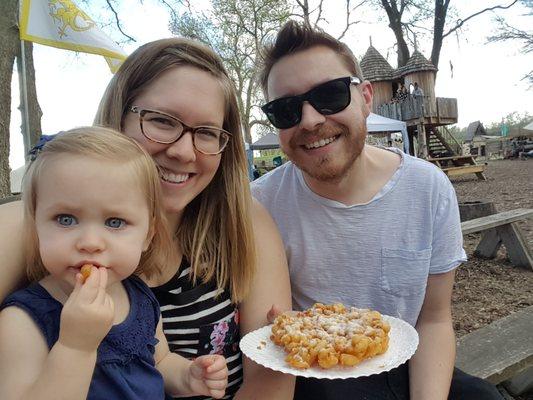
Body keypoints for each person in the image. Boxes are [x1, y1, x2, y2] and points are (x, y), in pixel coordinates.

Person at [0, 38, 294, 400]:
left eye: (205, 132)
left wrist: (188, 376)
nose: (184, 152)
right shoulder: (29, 228)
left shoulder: (242, 221)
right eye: (161, 121)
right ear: (118, 117)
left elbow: (269, 380)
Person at [254, 21, 502, 400]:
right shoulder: (260, 203)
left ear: (367, 97)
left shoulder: (428, 189)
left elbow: (434, 319)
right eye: (285, 109)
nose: (310, 120)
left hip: (408, 364)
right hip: (317, 375)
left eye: (331, 94)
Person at [0, 127, 228, 400]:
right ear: (36, 225)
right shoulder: (22, 321)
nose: (90, 242)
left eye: (115, 222)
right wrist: (76, 347)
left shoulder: (139, 296)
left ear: (147, 236)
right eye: (66, 219)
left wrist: (187, 377)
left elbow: (160, 362)